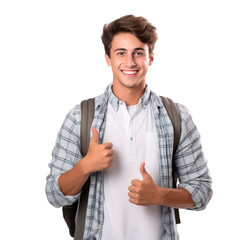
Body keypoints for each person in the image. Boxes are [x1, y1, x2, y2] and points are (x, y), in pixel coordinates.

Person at [46, 15, 212, 240]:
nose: (130, 62)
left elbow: (202, 191)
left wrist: (160, 195)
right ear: (108, 58)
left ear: (150, 58)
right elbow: (55, 195)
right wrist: (85, 166)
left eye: (138, 53)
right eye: (121, 53)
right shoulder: (80, 117)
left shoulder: (176, 116)